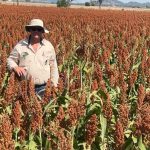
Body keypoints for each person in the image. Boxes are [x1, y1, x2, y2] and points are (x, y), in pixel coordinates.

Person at [7, 19, 59, 97]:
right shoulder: (21, 45)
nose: (36, 31)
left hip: (44, 87)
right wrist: (15, 67)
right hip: (25, 88)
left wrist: (54, 84)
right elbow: (10, 59)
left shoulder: (48, 46)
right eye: (34, 29)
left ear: (42, 31)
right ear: (30, 30)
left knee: (43, 108)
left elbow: (53, 66)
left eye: (39, 29)